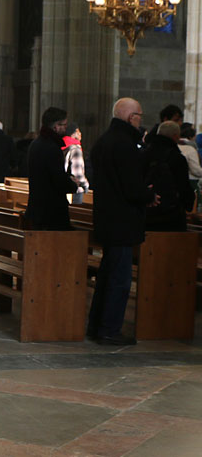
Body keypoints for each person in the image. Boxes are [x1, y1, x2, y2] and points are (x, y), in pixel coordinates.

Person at [88, 97, 159, 346]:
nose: (141, 119)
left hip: (107, 217)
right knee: (119, 279)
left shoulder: (104, 141)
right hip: (122, 221)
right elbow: (131, 186)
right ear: (131, 117)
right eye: (139, 114)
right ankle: (109, 330)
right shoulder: (124, 144)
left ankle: (97, 326)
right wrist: (148, 195)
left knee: (107, 275)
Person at [25, 107, 78, 230]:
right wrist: (72, 184)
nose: (66, 128)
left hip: (37, 208)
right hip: (51, 212)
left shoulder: (35, 144)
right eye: (64, 125)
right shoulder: (52, 147)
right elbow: (58, 180)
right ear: (55, 126)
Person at [143, 121, 193, 231]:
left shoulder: (144, 154)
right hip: (171, 217)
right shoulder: (177, 158)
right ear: (176, 136)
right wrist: (189, 204)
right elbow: (183, 187)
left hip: (145, 214)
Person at [63, 123, 90, 204]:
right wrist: (85, 185)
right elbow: (77, 173)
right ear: (73, 134)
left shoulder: (61, 145)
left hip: (63, 186)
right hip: (75, 189)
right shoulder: (75, 149)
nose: (80, 134)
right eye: (78, 131)